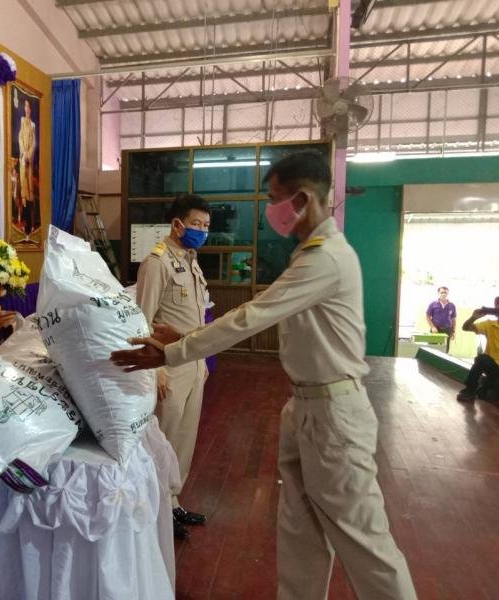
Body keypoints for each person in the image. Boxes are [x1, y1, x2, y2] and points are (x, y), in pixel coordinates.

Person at [112, 151, 417, 600]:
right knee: (300, 535)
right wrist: (184, 339)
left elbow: (252, 316)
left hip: (334, 414)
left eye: (275, 199)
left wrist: (175, 350)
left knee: (363, 541)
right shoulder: (307, 255)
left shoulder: (325, 258)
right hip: (306, 407)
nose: (270, 210)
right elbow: (230, 316)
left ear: (303, 198)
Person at [136, 193, 210, 540]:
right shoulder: (158, 262)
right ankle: (156, 511)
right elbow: (141, 322)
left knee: (185, 438)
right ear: (177, 224)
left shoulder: (190, 260)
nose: (202, 231)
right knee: (164, 439)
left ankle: (173, 502)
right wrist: (155, 369)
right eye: (196, 224)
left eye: (207, 226)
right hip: (169, 367)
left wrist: (202, 363)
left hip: (193, 365)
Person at [456, 296, 499, 402]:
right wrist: (473, 318)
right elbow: (465, 328)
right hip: (493, 367)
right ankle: (470, 389)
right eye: (497, 304)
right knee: (482, 359)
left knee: (488, 395)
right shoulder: (489, 324)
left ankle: (485, 387)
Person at [17, 98, 36, 234]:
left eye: (28, 107)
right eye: (25, 106)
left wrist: (29, 154)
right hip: (23, 156)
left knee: (30, 185)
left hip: (29, 157)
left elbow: (34, 142)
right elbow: (19, 137)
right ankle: (24, 220)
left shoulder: (33, 125)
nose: (26, 109)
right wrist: (24, 152)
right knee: (22, 183)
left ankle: (30, 223)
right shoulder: (22, 120)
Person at [426, 286, 456, 352]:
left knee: (445, 349)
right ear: (438, 293)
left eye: (445, 292)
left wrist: (453, 331)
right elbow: (427, 316)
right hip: (435, 330)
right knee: (432, 349)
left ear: (448, 293)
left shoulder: (452, 305)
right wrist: (432, 327)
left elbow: (453, 319)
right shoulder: (433, 304)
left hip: (447, 330)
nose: (443, 294)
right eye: (441, 292)